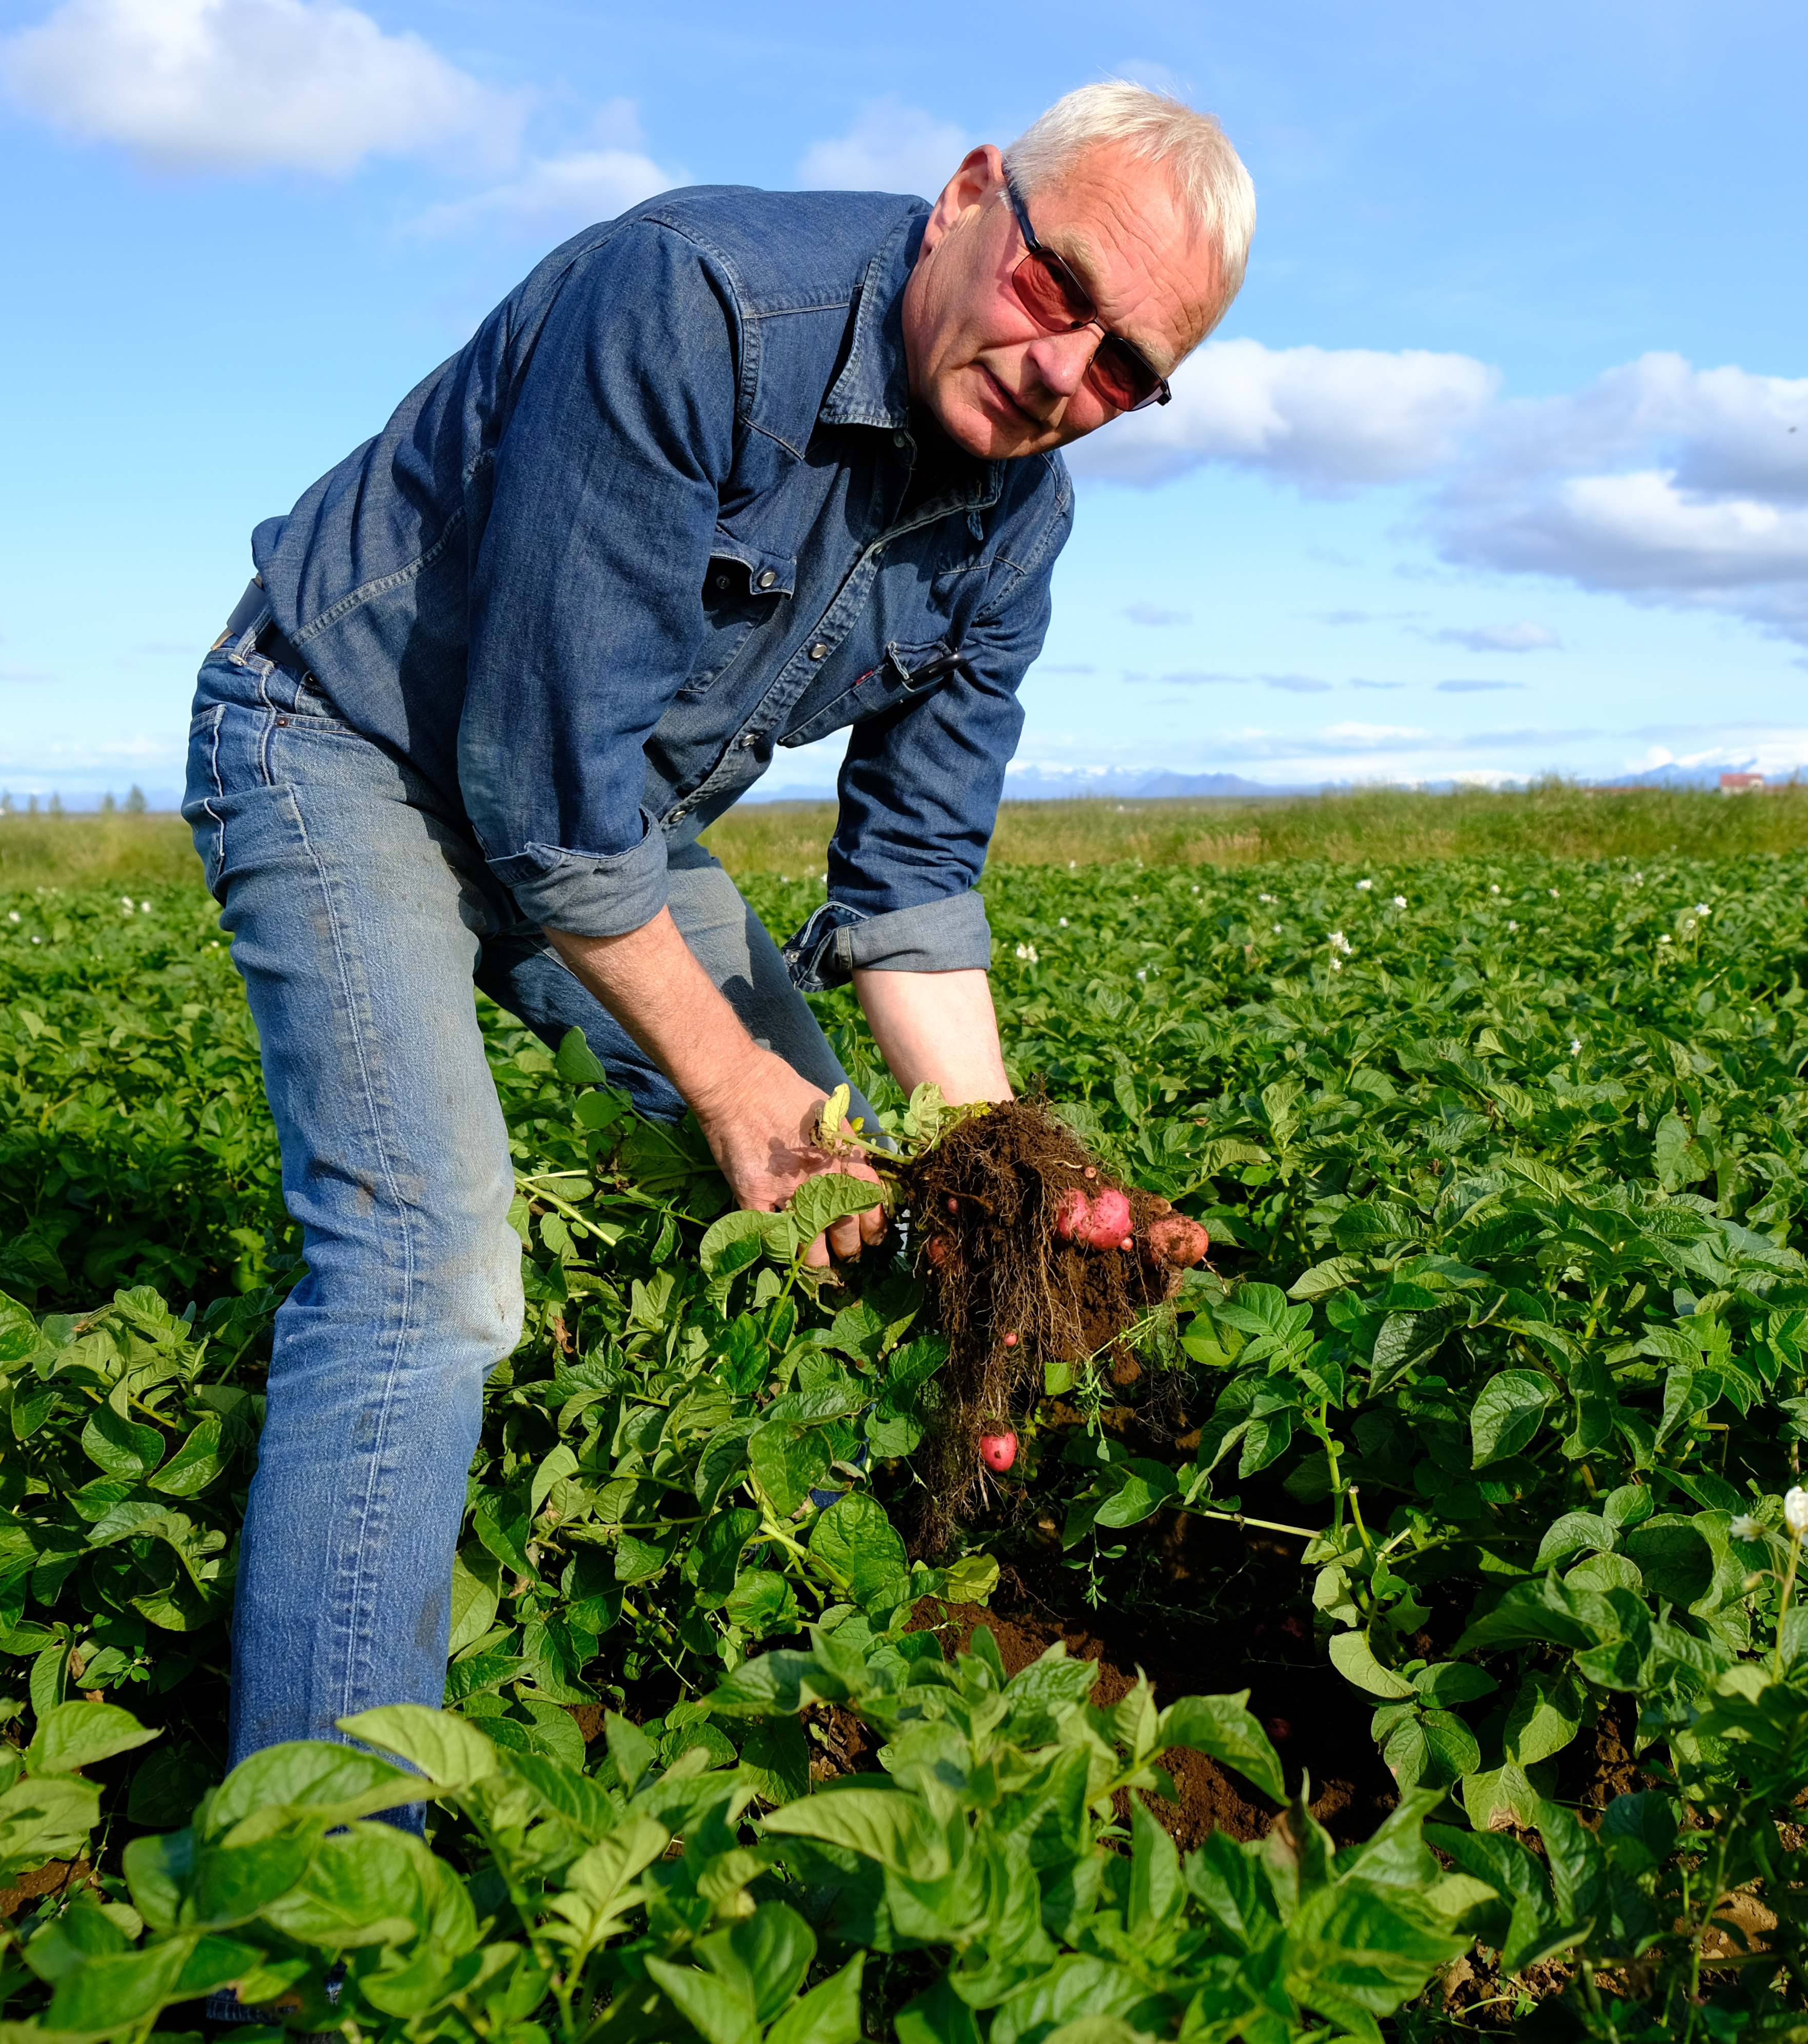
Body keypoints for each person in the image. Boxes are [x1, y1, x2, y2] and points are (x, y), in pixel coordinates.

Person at [179, 84, 1255, 1790]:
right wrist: (735, 1089)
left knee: (862, 1209)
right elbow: (538, 783)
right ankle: (313, 1899)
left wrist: (998, 1160)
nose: (1069, 376)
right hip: (350, 742)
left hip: (609, 818)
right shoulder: (697, 305)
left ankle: (830, 1672)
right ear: (972, 196)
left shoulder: (1016, 520)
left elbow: (910, 878)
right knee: (426, 1277)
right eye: (1062, 292)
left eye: (1129, 368)